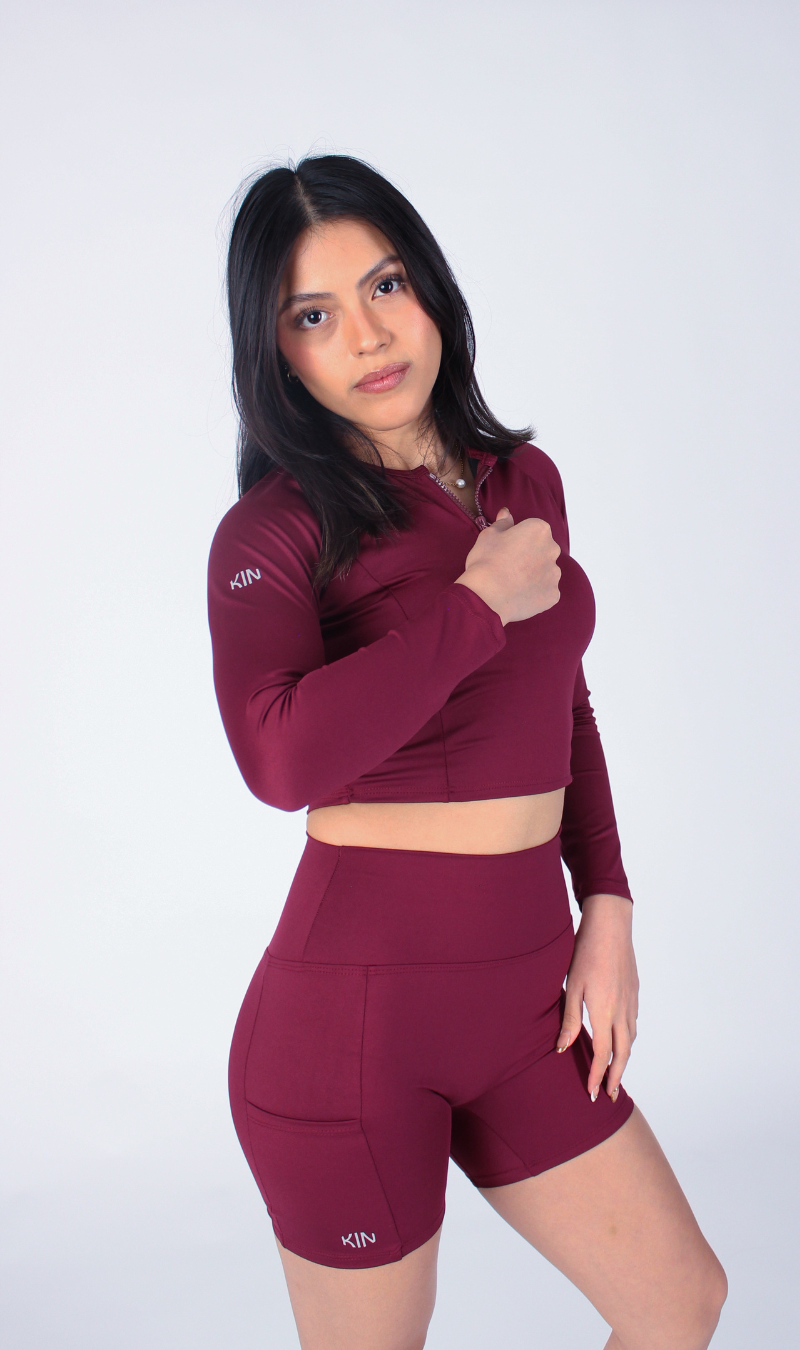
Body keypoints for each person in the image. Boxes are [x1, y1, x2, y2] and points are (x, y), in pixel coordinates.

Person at [207, 154, 726, 1350]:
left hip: (527, 1004)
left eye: (385, 285)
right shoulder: (274, 533)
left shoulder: (519, 481)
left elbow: (559, 700)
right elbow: (279, 761)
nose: (366, 336)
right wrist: (475, 604)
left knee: (676, 1303)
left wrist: (607, 901)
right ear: (277, 353)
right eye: (312, 315)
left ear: (430, 289)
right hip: (349, 1033)